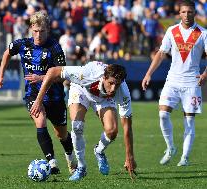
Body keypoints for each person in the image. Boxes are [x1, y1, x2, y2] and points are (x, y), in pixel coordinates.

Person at [0, 11, 76, 174]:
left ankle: (70, 158)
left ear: (47, 29)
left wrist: (41, 78)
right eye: (35, 31)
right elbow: (7, 53)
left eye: (42, 31)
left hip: (55, 97)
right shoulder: (22, 44)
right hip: (33, 95)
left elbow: (62, 76)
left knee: (61, 134)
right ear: (31, 29)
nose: (38, 35)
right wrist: (1, 75)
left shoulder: (54, 47)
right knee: (40, 122)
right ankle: (52, 163)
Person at [30, 61, 137, 181]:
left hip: (103, 99)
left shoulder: (123, 93)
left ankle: (99, 151)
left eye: (117, 85)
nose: (113, 89)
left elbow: (127, 127)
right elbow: (53, 71)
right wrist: (38, 101)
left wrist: (129, 157)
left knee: (112, 131)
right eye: (111, 83)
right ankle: (81, 167)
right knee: (77, 126)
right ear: (104, 77)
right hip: (81, 90)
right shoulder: (87, 73)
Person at [142, 0, 207, 167]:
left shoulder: (203, 33)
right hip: (172, 80)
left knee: (189, 121)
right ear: (179, 13)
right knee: (163, 114)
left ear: (195, 13)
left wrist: (205, 73)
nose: (186, 15)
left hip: (192, 82)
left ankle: (185, 157)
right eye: (184, 12)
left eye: (190, 12)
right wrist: (148, 73)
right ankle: (170, 148)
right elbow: (161, 53)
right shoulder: (172, 31)